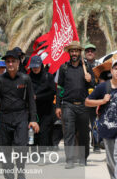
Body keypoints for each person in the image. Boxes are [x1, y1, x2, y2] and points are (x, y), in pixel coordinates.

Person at [0, 49, 39, 179]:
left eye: (13, 61)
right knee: (5, 150)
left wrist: (33, 119)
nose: (10, 64)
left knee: (20, 147)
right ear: (5, 63)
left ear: (18, 63)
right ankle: (9, 178)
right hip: (4, 118)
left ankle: (21, 172)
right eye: (8, 61)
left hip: (21, 117)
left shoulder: (25, 79)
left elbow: (31, 101)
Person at [55, 41, 94, 169]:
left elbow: (93, 87)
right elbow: (59, 87)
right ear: (69, 53)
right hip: (68, 105)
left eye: (77, 51)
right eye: (72, 51)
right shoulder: (64, 68)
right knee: (69, 133)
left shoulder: (87, 68)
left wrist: (90, 80)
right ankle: (70, 160)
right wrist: (58, 106)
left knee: (83, 133)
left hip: (83, 105)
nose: (74, 53)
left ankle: (83, 158)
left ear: (80, 53)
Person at [29, 56, 56, 161]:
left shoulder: (47, 76)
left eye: (37, 66)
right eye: (33, 67)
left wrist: (38, 97)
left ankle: (42, 155)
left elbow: (52, 91)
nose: (35, 69)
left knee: (43, 132)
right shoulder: (27, 78)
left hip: (46, 110)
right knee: (31, 132)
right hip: (32, 110)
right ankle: (33, 153)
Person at [84, 43, 102, 153]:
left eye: (92, 51)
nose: (90, 52)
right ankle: (84, 146)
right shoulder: (82, 65)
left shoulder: (100, 65)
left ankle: (96, 145)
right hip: (84, 99)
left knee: (95, 123)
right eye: (87, 51)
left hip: (96, 98)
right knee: (84, 124)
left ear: (95, 53)